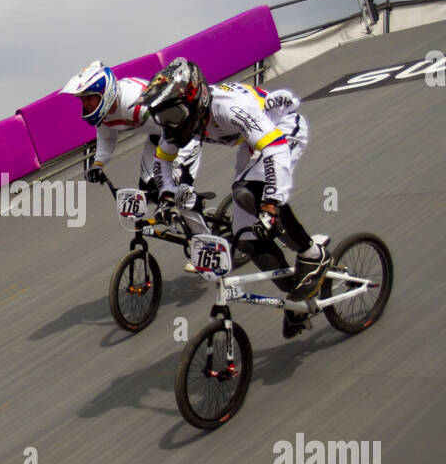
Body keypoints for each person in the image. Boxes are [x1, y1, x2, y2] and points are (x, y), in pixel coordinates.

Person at [141, 57, 330, 339]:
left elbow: (275, 148)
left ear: (196, 100)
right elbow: (163, 162)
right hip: (250, 142)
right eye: (162, 118)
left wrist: (270, 204)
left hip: (280, 129)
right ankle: (296, 297)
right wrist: (167, 195)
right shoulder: (181, 119)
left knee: (247, 193)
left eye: (172, 116)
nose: (168, 125)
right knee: (247, 241)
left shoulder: (228, 109)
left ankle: (312, 254)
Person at [61, 60, 202, 200]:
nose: (85, 104)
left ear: (105, 92)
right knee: (149, 189)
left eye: (89, 98)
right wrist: (98, 164)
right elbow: (107, 139)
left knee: (175, 190)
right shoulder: (104, 115)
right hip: (159, 138)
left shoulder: (135, 102)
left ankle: (196, 213)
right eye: (82, 99)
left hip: (184, 132)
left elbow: (179, 122)